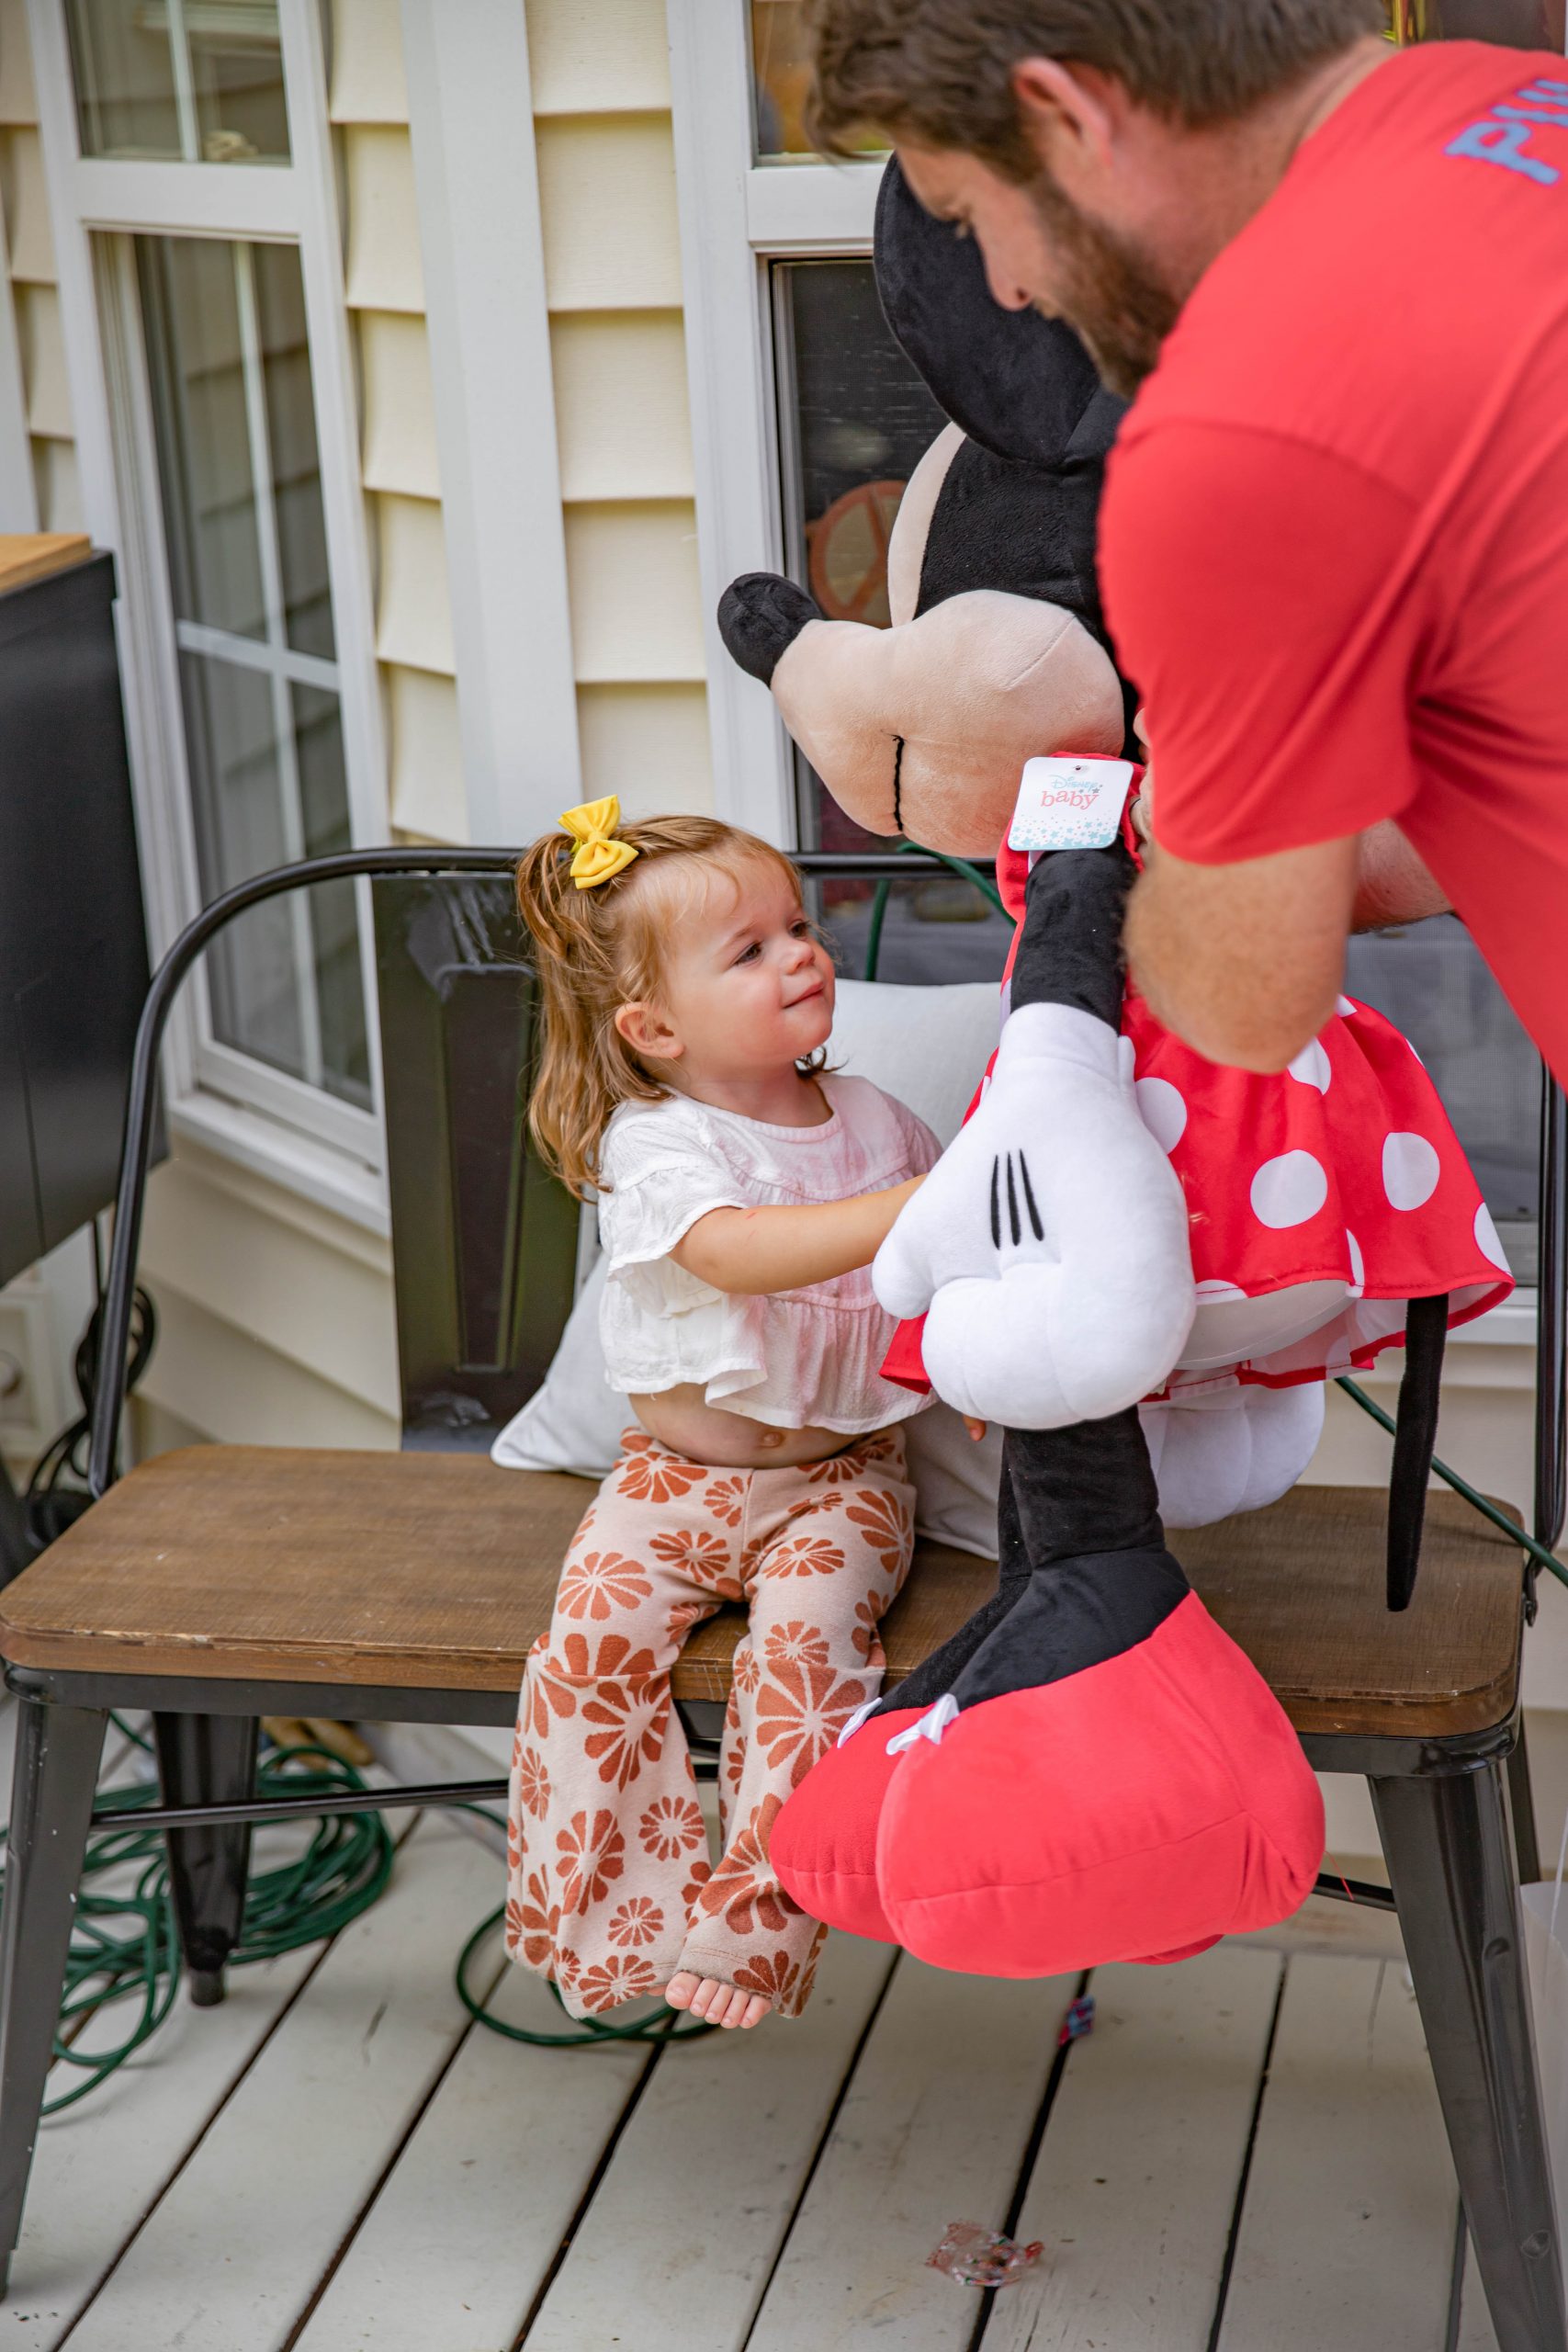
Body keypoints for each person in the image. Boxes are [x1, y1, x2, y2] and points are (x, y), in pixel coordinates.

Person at [804, 0, 1568, 1083]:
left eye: (968, 217)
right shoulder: (1521, 100)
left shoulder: (1236, 441)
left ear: (1063, 116)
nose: (1011, 290)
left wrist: (1162, 841)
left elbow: (1245, 997)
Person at [505, 799, 938, 2028]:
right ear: (651, 1027)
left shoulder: (879, 1127)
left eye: (795, 924)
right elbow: (738, 1254)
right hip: (663, 1487)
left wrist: (965, 1365)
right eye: (746, 950)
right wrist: (923, 1202)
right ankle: (606, 1931)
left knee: (801, 1664)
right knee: (586, 1656)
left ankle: (755, 1928)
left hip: (839, 1482)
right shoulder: (658, 1145)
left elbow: (936, 1283)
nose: (798, 953)